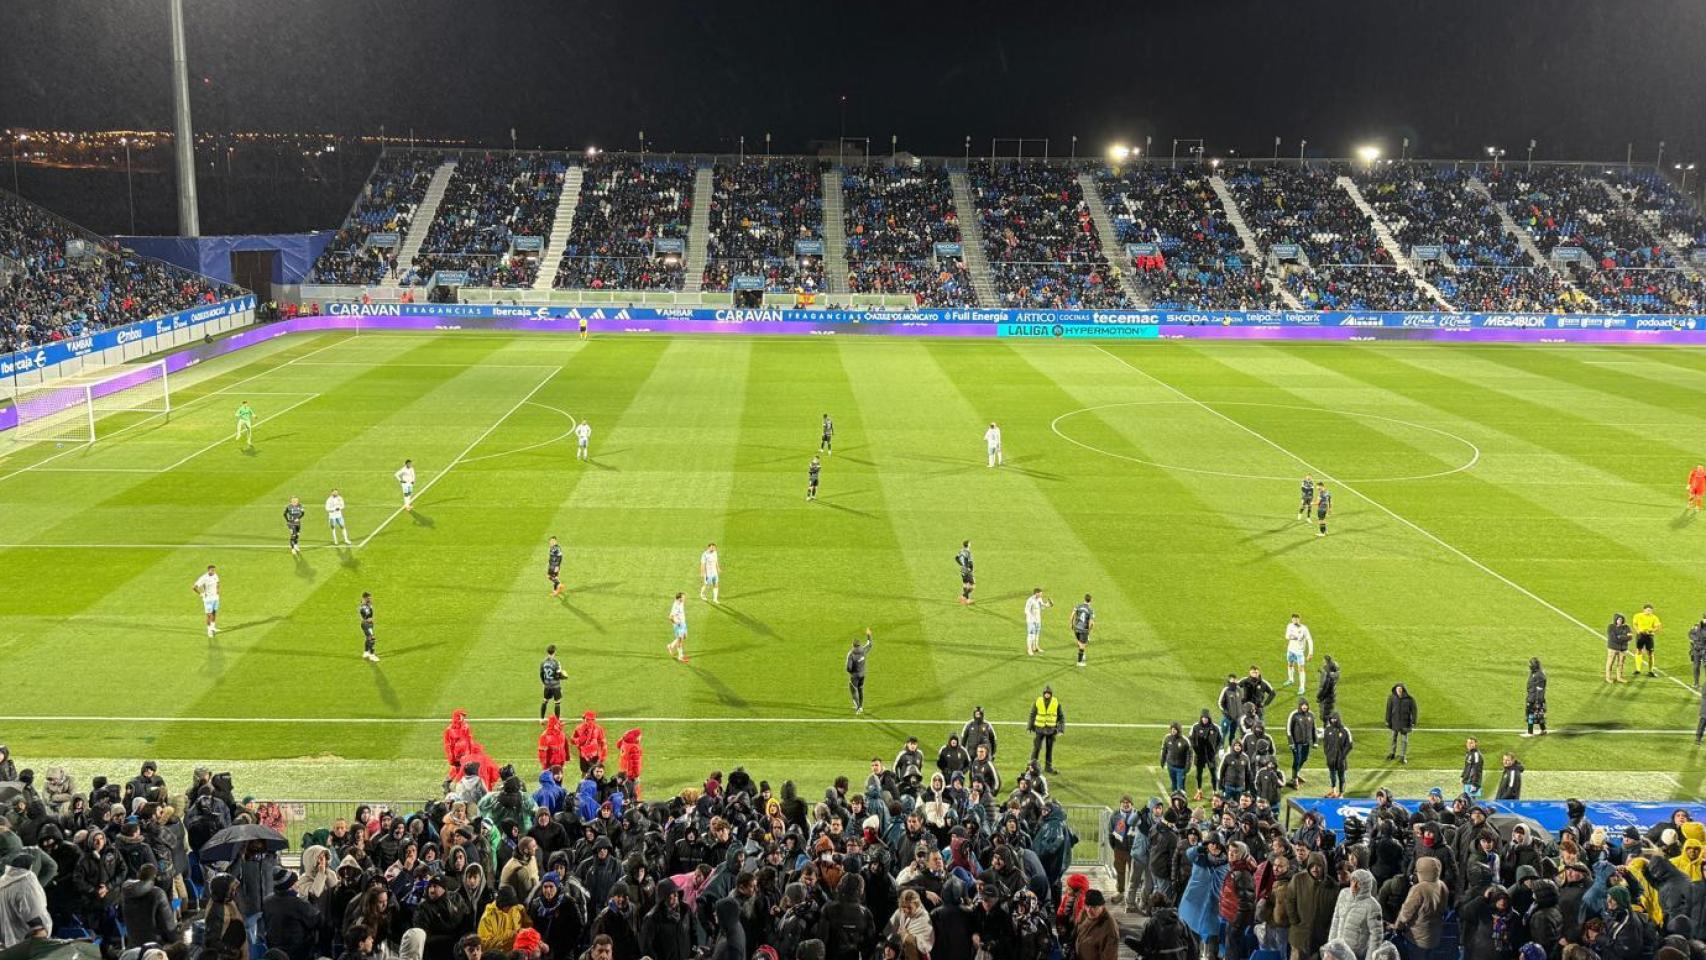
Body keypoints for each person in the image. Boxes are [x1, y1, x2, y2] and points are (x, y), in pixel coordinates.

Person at [1028, 686, 1064, 774]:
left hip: (1051, 730)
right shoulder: (1038, 701)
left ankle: (1048, 767)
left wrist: (1060, 729)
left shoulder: (1056, 703)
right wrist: (1030, 727)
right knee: (1036, 748)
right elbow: (1033, 714)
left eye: (1048, 694)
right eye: (1046, 693)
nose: (1047, 695)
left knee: (1049, 750)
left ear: (1051, 695)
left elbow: (1061, 717)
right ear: (1043, 694)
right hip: (1040, 730)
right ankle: (1031, 766)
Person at [1075, 889, 1119, 960]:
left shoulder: (1110, 928)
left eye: (1094, 907)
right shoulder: (1085, 912)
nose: (1089, 910)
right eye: (1087, 906)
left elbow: (1110, 957)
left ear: (1102, 906)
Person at [1189, 710, 1221, 800]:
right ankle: (1199, 791)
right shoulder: (1195, 727)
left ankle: (1215, 792)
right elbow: (1191, 739)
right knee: (1199, 774)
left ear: (1209, 718)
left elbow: (1219, 741)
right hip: (1200, 755)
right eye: (1203, 718)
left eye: (1206, 718)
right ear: (1201, 718)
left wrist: (1215, 752)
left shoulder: (1215, 728)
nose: (1205, 720)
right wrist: (1196, 749)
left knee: (1213, 774)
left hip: (1211, 755)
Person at [1285, 699, 1317, 789]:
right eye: (1303, 705)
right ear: (1299, 705)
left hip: (1306, 742)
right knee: (1297, 759)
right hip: (1296, 743)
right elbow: (1288, 729)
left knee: (1304, 758)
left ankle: (1295, 775)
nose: (1304, 707)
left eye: (1306, 705)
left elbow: (1314, 728)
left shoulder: (1311, 715)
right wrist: (1291, 742)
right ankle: (1294, 780)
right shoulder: (1294, 715)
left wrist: (1315, 741)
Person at [1321, 712, 1352, 799]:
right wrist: (1327, 753)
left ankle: (1341, 793)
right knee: (1332, 775)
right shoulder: (1327, 730)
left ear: (1338, 719)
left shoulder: (1344, 730)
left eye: (1335, 719)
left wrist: (1342, 755)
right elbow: (1325, 743)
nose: (1333, 720)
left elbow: (1349, 745)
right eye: (1332, 719)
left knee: (1341, 776)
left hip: (1341, 759)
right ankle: (1333, 791)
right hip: (1331, 758)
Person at [1384, 683, 1416, 764]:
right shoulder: (1391, 698)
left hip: (1405, 723)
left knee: (1404, 740)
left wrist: (1413, 721)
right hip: (1394, 722)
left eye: (1400, 689)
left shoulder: (1409, 699)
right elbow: (1388, 709)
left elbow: (1414, 710)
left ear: (1403, 689)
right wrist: (1387, 720)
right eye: (1397, 689)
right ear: (1395, 689)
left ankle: (1403, 756)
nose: (1399, 690)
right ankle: (1392, 754)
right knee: (1393, 739)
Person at [1285, 614, 1314, 693]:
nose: (1295, 621)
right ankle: (1291, 679)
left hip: (1299, 652)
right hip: (1290, 650)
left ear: (1299, 619)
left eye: (1296, 619)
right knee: (1290, 664)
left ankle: (1302, 687)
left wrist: (1310, 652)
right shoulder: (1289, 626)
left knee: (1301, 669)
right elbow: (1287, 636)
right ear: (1292, 620)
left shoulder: (1304, 628)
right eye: (1293, 619)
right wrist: (1295, 637)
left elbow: (1309, 640)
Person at [846, 628, 873, 714]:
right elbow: (870, 644)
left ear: (853, 645)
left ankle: (857, 707)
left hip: (855, 676)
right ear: (859, 645)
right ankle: (860, 706)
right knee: (860, 689)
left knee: (853, 689)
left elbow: (848, 668)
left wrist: (852, 672)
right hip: (862, 675)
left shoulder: (851, 654)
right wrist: (869, 635)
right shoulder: (863, 651)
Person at [1160, 722, 1190, 794]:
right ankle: (1174, 800)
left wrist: (1187, 767)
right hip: (1171, 766)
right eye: (1172, 729)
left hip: (1181, 768)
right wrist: (1162, 761)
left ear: (1178, 730)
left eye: (1175, 729)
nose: (1173, 731)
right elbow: (1164, 750)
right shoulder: (1167, 738)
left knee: (1180, 787)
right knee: (1173, 784)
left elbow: (1190, 755)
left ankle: (1182, 802)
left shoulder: (1185, 741)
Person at [1633, 604, 1662, 678]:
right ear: (1644, 610)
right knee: (1639, 650)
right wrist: (1638, 630)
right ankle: (1638, 669)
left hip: (1649, 636)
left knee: (1650, 653)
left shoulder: (1654, 617)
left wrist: (1651, 630)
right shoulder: (1638, 616)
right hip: (1640, 635)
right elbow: (1635, 624)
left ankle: (1651, 671)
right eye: (1648, 610)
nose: (1649, 612)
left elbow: (1657, 626)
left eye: (1651, 610)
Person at [193, 563, 221, 638]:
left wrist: (218, 592)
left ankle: (213, 627)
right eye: (212, 570)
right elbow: (194, 587)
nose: (214, 571)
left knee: (214, 612)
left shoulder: (215, 575)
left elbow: (218, 582)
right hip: (208, 599)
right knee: (209, 615)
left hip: (215, 598)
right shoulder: (203, 578)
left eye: (214, 570)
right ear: (208, 570)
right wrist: (201, 594)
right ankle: (209, 631)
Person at [540, 645, 565, 722]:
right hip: (555, 686)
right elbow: (558, 675)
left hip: (547, 685)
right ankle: (557, 721)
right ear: (554, 652)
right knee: (557, 703)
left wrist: (544, 683)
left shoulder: (543, 662)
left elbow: (541, 674)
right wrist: (563, 677)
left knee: (545, 701)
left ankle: (541, 719)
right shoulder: (556, 663)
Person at [1024, 588, 1052, 656]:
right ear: (1036, 593)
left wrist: (1047, 605)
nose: (1041, 595)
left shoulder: (1039, 599)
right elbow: (1026, 610)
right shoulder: (1030, 600)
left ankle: (1036, 647)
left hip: (1038, 620)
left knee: (1037, 634)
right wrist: (1031, 617)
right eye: (1040, 593)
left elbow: (1042, 607)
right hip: (1031, 621)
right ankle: (1029, 649)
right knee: (1031, 635)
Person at [1524, 658, 1548, 737]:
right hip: (1532, 696)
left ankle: (1530, 732)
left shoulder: (1539, 676)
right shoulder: (1534, 673)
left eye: (1530, 664)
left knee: (1531, 714)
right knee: (1539, 715)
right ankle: (1543, 730)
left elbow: (1540, 690)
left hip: (1535, 699)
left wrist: (1537, 702)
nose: (1529, 666)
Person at [1607, 613, 1633, 683]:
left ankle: (1619, 677)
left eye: (1621, 619)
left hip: (1623, 648)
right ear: (1615, 620)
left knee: (1621, 663)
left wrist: (1620, 637)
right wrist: (1624, 637)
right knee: (1610, 662)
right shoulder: (1611, 627)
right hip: (1613, 648)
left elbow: (1630, 637)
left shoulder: (1627, 627)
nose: (1620, 621)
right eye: (1618, 619)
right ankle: (1608, 677)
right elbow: (1613, 638)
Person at [1071, 594, 1094, 667]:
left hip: (1076, 628)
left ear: (1084, 599)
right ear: (1091, 600)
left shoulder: (1078, 606)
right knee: (1083, 645)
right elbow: (1091, 623)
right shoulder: (1090, 610)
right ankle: (1079, 662)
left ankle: (1082, 655)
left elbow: (1072, 616)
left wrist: (1071, 624)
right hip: (1084, 629)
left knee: (1080, 642)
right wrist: (1089, 631)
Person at [1316, 655, 1340, 720]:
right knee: (1329, 712)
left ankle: (1327, 728)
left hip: (1326, 697)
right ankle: (1328, 726)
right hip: (1331, 695)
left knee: (1325, 715)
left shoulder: (1328, 679)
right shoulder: (1334, 673)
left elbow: (1325, 688)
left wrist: (1319, 697)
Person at [667, 592, 689, 662]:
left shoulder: (681, 602)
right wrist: (677, 623)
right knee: (680, 641)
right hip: (679, 626)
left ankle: (670, 646)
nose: (684, 598)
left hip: (683, 623)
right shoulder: (675, 606)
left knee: (685, 636)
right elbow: (670, 617)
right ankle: (680, 656)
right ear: (679, 598)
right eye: (683, 597)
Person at [359, 592, 378, 662]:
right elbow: (364, 614)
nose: (370, 599)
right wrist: (368, 619)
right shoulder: (364, 607)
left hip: (368, 624)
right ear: (365, 598)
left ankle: (366, 652)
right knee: (372, 638)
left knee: (368, 637)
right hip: (366, 624)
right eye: (368, 598)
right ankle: (372, 655)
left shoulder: (368, 604)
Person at [1691, 614, 1706, 688]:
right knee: (1696, 666)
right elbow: (1690, 634)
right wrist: (1696, 640)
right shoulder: (1697, 627)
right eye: (1704, 619)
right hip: (1696, 650)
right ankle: (1696, 683)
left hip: (1705, 650)